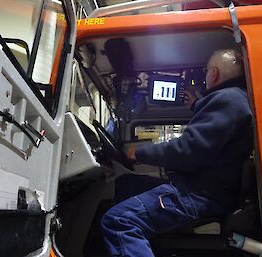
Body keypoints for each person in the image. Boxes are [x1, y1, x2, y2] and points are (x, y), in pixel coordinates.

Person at [101, 49, 253, 257]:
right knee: (126, 183)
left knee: (118, 221)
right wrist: (197, 103)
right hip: (206, 189)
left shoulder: (227, 100)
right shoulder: (233, 99)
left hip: (200, 195)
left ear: (214, 74)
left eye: (207, 71)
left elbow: (187, 150)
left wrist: (140, 152)